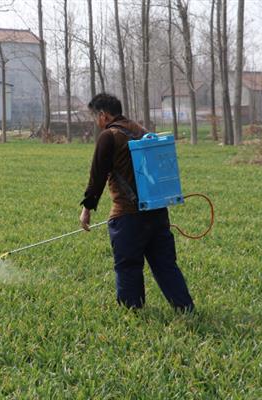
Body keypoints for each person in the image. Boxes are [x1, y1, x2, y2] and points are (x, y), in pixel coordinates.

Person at [80, 93, 194, 312]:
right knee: (165, 265)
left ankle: (132, 312)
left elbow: (97, 177)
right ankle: (185, 307)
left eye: (96, 117)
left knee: (128, 266)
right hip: (157, 211)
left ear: (103, 115)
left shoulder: (109, 136)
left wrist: (87, 209)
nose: (96, 122)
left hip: (127, 216)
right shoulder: (142, 131)